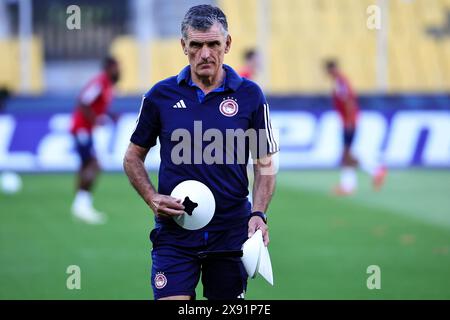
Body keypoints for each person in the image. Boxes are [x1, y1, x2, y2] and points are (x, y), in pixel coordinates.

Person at [123, 5, 278, 300]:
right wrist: (151, 196)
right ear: (184, 46)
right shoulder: (160, 96)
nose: (205, 54)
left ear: (228, 44)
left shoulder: (250, 95)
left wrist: (259, 213)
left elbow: (265, 164)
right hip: (175, 234)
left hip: (231, 234)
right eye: (196, 45)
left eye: (213, 44)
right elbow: (132, 157)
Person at [324, 59, 386, 195]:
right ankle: (350, 185)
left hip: (349, 122)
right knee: (346, 154)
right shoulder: (340, 81)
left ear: (331, 69)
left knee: (346, 154)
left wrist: (349, 120)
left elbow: (348, 101)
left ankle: (375, 171)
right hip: (348, 121)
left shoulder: (340, 82)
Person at [70, 56, 120, 224]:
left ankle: (80, 205)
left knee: (86, 165)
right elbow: (83, 101)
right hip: (82, 129)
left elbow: (96, 107)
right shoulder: (100, 82)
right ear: (109, 68)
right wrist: (95, 120)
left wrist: (109, 116)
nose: (119, 71)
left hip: (86, 129)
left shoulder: (107, 85)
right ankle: (82, 205)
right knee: (94, 164)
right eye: (116, 67)